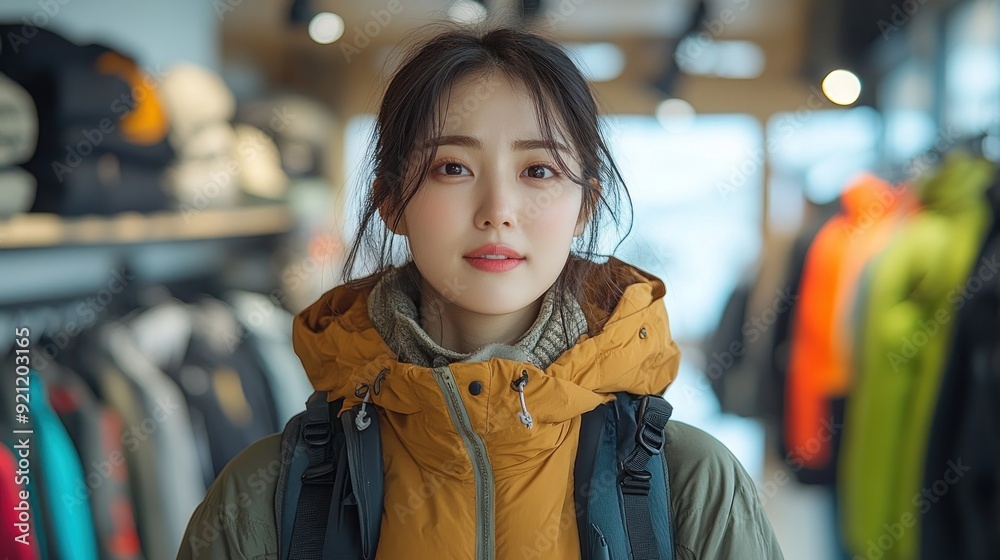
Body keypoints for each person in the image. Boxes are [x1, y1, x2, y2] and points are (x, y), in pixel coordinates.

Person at [177, 23, 783, 560]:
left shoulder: (687, 485)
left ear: (584, 206)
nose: (498, 211)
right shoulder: (269, 493)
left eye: (537, 171)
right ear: (391, 199)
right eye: (453, 168)